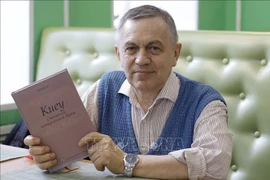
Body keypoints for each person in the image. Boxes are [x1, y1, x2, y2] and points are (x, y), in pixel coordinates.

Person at [24, 5, 233, 180]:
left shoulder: (204, 101)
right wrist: (49, 156)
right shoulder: (105, 88)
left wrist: (126, 162)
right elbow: (66, 147)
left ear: (175, 54)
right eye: (131, 48)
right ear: (119, 54)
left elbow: (216, 164)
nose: (141, 59)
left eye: (154, 48)